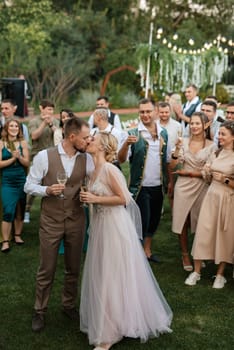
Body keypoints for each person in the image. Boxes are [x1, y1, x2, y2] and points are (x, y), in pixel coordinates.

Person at [79, 132, 172, 350]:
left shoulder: (111, 169)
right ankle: (111, 320)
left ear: (102, 146)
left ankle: (109, 334)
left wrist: (96, 199)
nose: (88, 140)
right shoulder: (93, 171)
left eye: (93, 139)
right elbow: (99, 199)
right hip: (101, 227)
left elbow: (124, 199)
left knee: (112, 274)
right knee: (103, 274)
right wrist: (90, 201)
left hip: (114, 227)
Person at [24, 117, 94, 332]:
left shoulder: (87, 158)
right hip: (51, 221)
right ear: (72, 137)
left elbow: (96, 180)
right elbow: (29, 185)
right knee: (47, 268)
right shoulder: (45, 157)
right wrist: (46, 190)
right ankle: (40, 310)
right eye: (85, 137)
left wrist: (90, 193)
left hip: (76, 220)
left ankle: (68, 305)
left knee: (73, 267)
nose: (88, 141)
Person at [118, 98, 172, 263]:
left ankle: (147, 251)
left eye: (148, 111)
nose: (145, 115)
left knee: (154, 220)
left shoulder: (163, 133)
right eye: (142, 112)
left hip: (158, 185)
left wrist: (170, 182)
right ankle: (136, 254)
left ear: (155, 112)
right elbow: (120, 160)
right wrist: (126, 144)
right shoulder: (132, 133)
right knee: (143, 220)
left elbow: (167, 160)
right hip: (140, 187)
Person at [185, 120, 234, 289]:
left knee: (224, 235)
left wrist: (225, 179)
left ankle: (220, 275)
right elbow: (207, 177)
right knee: (203, 232)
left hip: (227, 199)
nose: (218, 137)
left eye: (223, 134)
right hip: (211, 196)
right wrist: (206, 171)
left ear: (232, 137)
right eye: (219, 133)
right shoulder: (216, 152)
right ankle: (196, 272)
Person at [171, 112, 217, 271]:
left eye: (197, 123)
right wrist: (176, 150)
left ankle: (198, 253)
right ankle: (185, 255)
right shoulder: (182, 141)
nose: (194, 126)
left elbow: (210, 173)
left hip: (202, 187)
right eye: (192, 123)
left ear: (206, 125)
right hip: (183, 186)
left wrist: (190, 173)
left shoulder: (212, 145)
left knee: (201, 221)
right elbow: (175, 165)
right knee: (181, 220)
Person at [24, 100, 59, 223]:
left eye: (51, 109)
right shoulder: (34, 121)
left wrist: (51, 125)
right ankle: (26, 211)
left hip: (53, 157)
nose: (50, 112)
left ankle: (53, 210)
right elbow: (34, 136)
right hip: (37, 156)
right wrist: (44, 123)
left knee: (54, 182)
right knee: (34, 183)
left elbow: (59, 136)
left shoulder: (55, 121)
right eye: (48, 109)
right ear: (41, 108)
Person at [0, 119, 30, 252]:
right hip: (7, 181)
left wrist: (19, 157)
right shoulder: (1, 143)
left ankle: (17, 235)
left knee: (20, 208)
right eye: (11, 126)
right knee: (8, 210)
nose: (14, 128)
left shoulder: (22, 143)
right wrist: (12, 159)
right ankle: (5, 241)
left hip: (21, 180)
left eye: (16, 126)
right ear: (6, 128)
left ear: (19, 129)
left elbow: (27, 163)